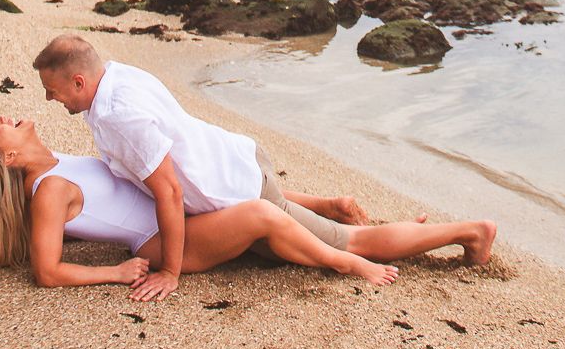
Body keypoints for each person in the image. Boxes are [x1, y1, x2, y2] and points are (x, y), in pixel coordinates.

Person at [32, 34, 497, 300]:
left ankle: (470, 233)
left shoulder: (117, 114)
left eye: (55, 90)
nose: (51, 99)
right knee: (331, 231)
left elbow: (170, 191)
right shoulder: (115, 76)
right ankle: (343, 210)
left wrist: (171, 272)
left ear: (79, 80)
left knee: (357, 244)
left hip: (242, 190)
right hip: (236, 161)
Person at [0, 115, 399, 292]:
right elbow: (47, 272)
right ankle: (345, 262)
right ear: (10, 158)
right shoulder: (49, 191)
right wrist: (113, 273)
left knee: (221, 185)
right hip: (162, 238)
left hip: (172, 213)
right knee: (260, 213)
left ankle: (326, 206)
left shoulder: (54, 167)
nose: (1, 120)